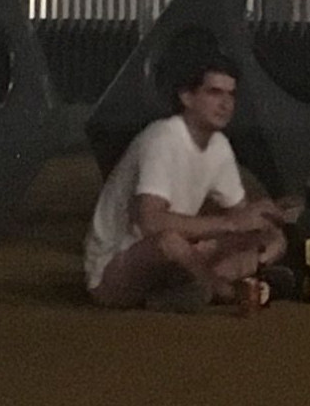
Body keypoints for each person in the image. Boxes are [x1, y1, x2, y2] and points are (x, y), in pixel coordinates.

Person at [81, 49, 294, 314]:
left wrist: (264, 215)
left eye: (231, 94)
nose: (226, 104)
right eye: (214, 93)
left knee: (272, 239)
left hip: (178, 259)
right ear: (187, 97)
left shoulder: (219, 145)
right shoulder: (163, 138)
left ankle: (193, 290)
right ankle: (225, 289)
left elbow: (240, 220)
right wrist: (229, 224)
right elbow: (150, 221)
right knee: (169, 243)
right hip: (115, 269)